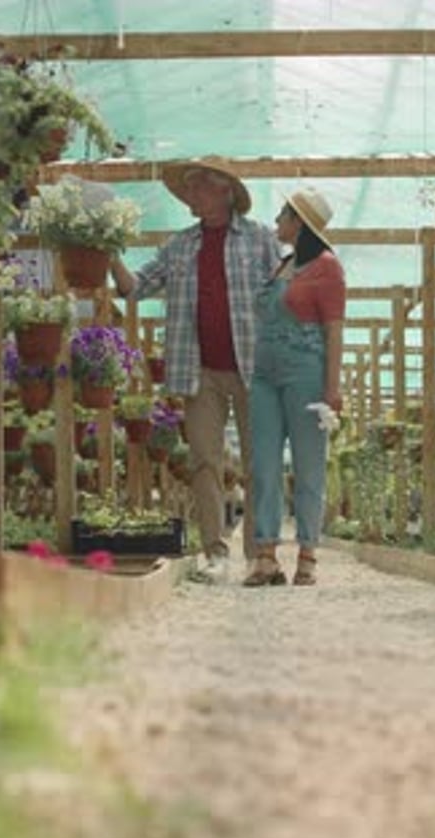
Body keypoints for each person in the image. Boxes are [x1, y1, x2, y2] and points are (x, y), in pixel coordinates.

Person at [110, 158, 279, 582]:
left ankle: (260, 555)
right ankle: (214, 554)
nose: (191, 196)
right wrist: (107, 250)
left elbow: (283, 300)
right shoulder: (179, 246)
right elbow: (133, 288)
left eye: (198, 188)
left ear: (223, 191)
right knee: (205, 460)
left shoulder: (260, 240)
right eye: (188, 189)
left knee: (259, 462)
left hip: (252, 367)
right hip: (197, 369)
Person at [243, 187, 345, 587]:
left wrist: (332, 389)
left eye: (282, 216)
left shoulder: (328, 267)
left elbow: (334, 331)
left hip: (306, 371)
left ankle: (307, 554)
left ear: (298, 222)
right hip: (264, 374)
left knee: (308, 465)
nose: (276, 223)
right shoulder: (281, 267)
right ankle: (265, 555)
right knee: (264, 463)